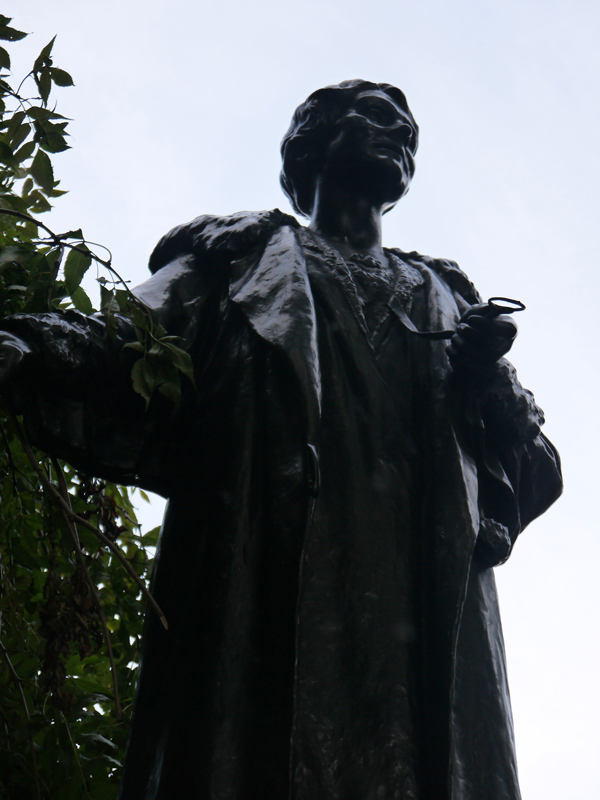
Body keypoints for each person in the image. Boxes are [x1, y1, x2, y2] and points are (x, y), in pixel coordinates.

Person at [0, 80, 562, 800]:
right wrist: (28, 341)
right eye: (375, 119)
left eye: (408, 133)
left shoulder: (448, 301)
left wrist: (489, 378)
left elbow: (534, 465)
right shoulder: (244, 262)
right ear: (313, 142)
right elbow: (127, 341)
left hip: (416, 595)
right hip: (268, 567)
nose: (398, 137)